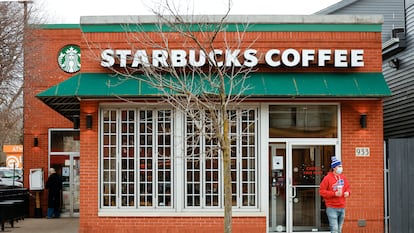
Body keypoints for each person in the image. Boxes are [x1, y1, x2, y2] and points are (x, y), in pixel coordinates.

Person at [319, 157, 351, 233]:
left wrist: (348, 192)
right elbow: (321, 191)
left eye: (341, 166)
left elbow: (348, 188)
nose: (341, 168)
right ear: (334, 168)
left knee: (339, 229)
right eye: (339, 166)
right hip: (331, 207)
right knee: (334, 229)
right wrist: (334, 194)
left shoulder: (343, 177)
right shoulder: (327, 178)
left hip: (342, 206)